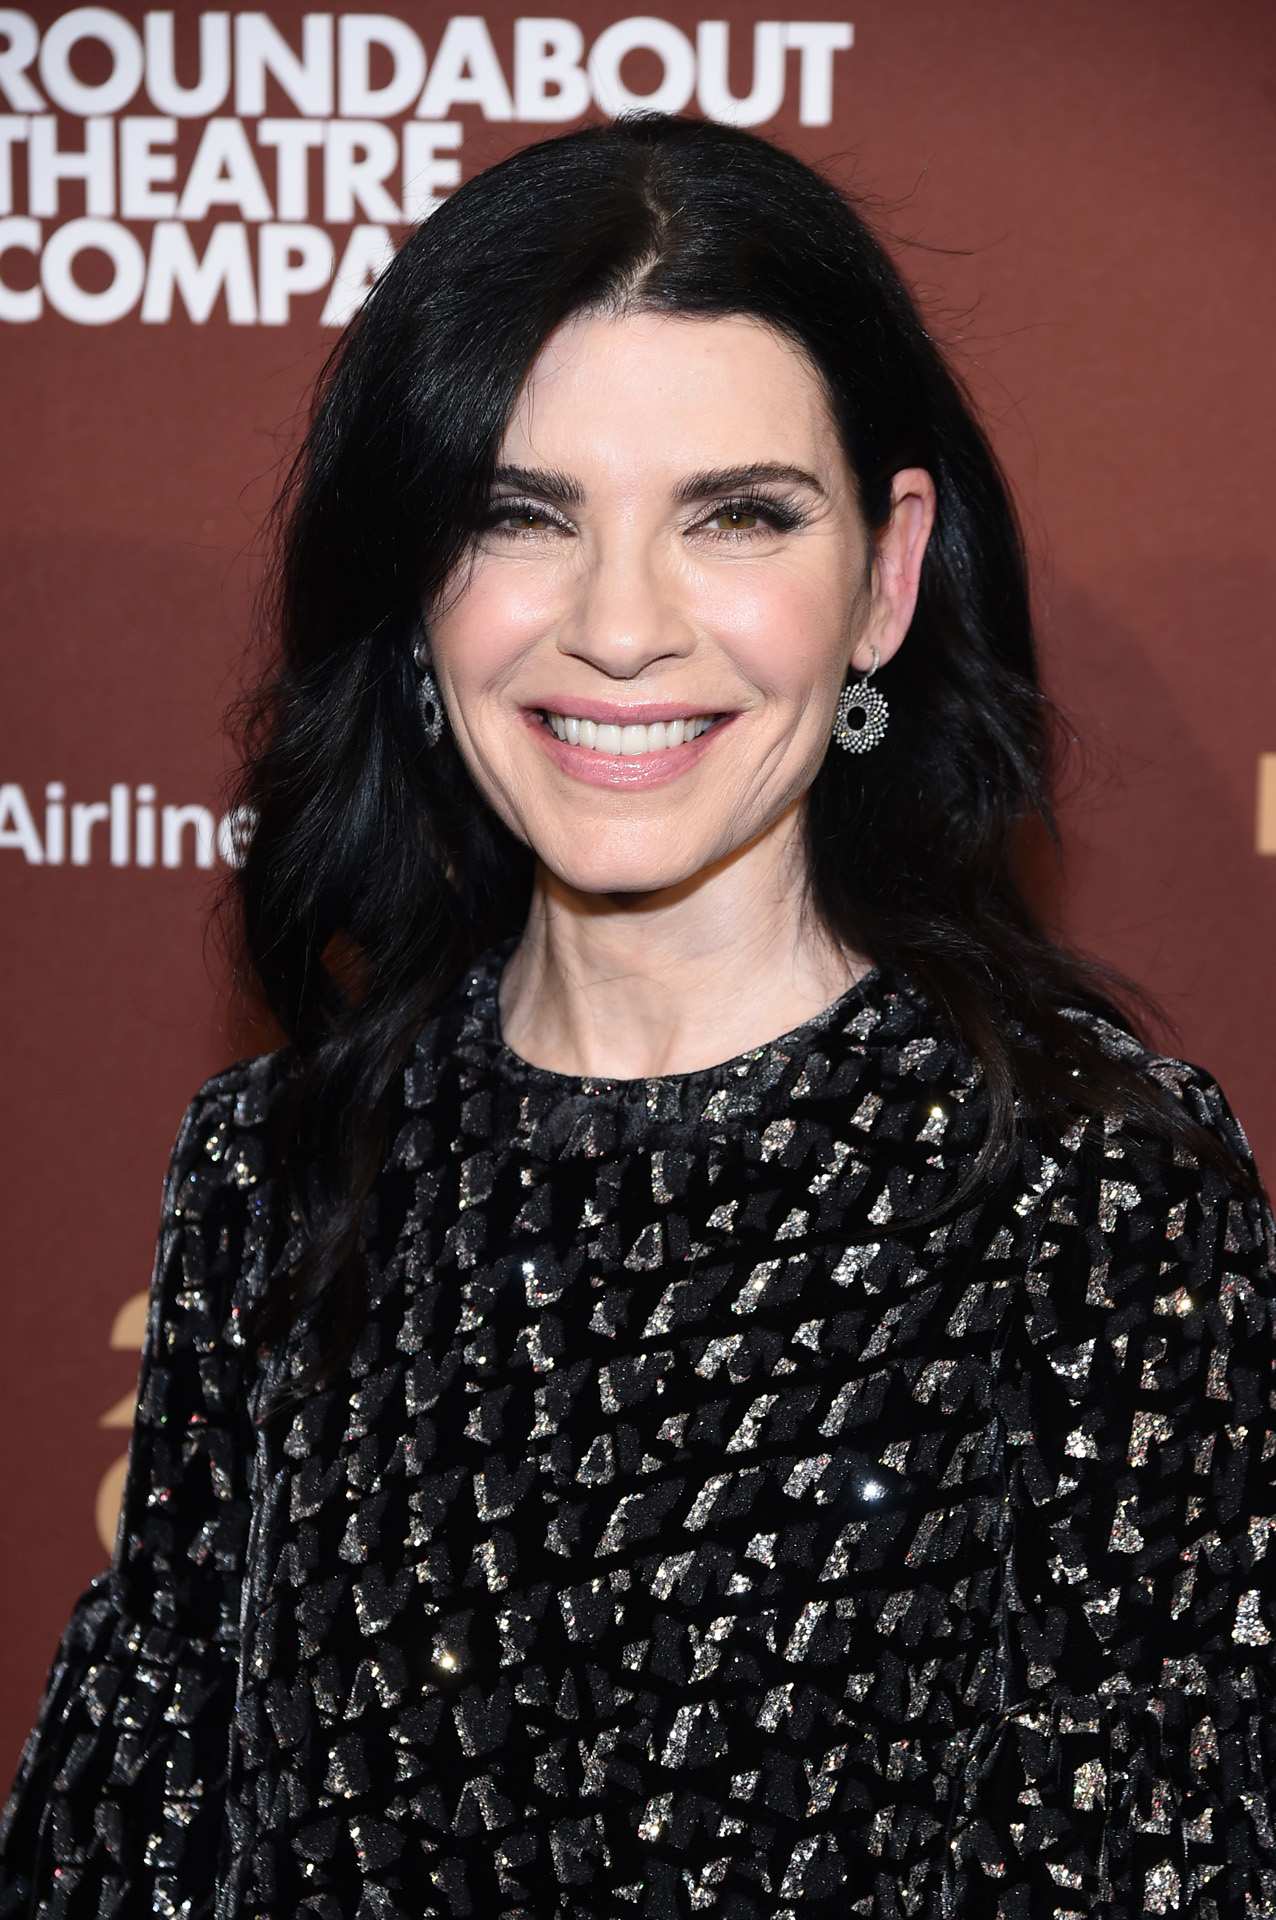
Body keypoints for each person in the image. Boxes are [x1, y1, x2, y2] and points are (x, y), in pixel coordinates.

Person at [2, 113, 1272, 1920]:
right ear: (416, 585)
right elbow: (119, 1849)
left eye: (735, 516)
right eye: (521, 516)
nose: (619, 628)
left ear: (887, 575)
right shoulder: (278, 1175)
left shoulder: (1096, 1198)